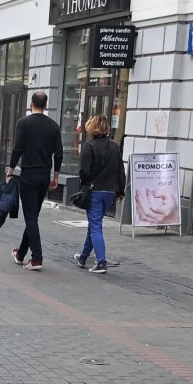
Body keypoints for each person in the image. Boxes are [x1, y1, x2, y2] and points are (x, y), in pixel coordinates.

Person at [8, 90, 63, 269]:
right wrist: (55, 176)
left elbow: (17, 149)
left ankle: (37, 258)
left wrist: (10, 172)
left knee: (31, 217)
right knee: (33, 216)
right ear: (46, 105)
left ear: (31, 103)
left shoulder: (23, 123)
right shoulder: (53, 126)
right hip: (44, 177)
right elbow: (59, 154)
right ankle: (21, 253)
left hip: (28, 176)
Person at [72, 114, 126, 274]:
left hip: (95, 190)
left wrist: (85, 183)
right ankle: (83, 257)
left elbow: (84, 171)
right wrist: (121, 191)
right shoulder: (114, 146)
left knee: (95, 226)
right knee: (94, 224)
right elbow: (120, 171)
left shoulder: (89, 145)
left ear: (91, 127)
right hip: (110, 191)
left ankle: (101, 262)